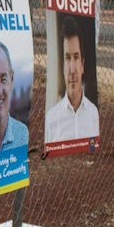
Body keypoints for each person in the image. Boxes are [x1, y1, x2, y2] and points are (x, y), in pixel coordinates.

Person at [44, 16, 100, 144]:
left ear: (82, 65)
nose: (72, 69)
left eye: (76, 57)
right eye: (68, 58)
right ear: (63, 66)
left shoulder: (93, 114)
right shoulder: (51, 119)